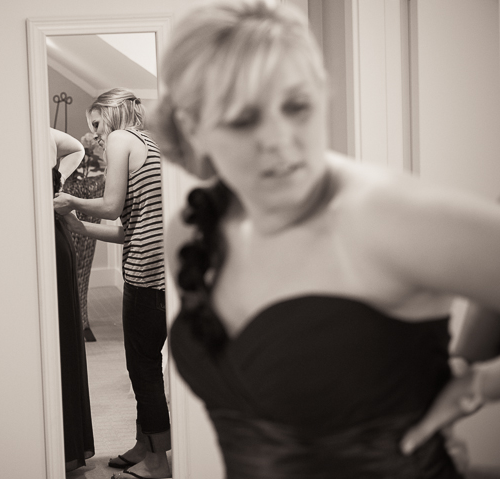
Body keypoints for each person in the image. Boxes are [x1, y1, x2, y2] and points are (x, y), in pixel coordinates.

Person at [149, 0, 500, 477]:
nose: (280, 140)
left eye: (297, 106)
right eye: (242, 120)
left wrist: (478, 381)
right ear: (194, 128)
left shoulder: (392, 217)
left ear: (323, 93)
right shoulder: (191, 234)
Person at [55, 88, 172, 479]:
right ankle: (144, 446)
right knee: (145, 364)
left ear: (113, 114)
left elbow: (111, 206)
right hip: (158, 276)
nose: (96, 136)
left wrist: (67, 200)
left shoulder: (123, 138)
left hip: (144, 276)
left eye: (96, 124)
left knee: (143, 369)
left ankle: (158, 463)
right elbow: (126, 229)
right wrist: (78, 224)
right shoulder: (148, 142)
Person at [50, 128, 95, 472]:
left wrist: (59, 182)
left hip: (53, 234)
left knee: (63, 330)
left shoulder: (43, 134)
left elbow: (78, 148)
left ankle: (63, 446)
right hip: (50, 232)